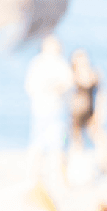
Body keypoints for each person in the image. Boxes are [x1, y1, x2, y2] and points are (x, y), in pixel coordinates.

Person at [24, 35, 72, 188]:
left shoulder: (60, 62)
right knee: (38, 144)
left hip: (57, 110)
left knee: (59, 145)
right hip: (42, 110)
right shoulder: (38, 63)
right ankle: (34, 177)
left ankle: (60, 178)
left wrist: (56, 87)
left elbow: (69, 83)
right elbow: (30, 87)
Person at [66, 49, 107, 177]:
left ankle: (103, 168)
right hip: (76, 112)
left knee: (101, 139)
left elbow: (102, 95)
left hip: (90, 111)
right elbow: (67, 94)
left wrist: (100, 113)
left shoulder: (94, 74)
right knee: (76, 142)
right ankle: (74, 170)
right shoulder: (71, 74)